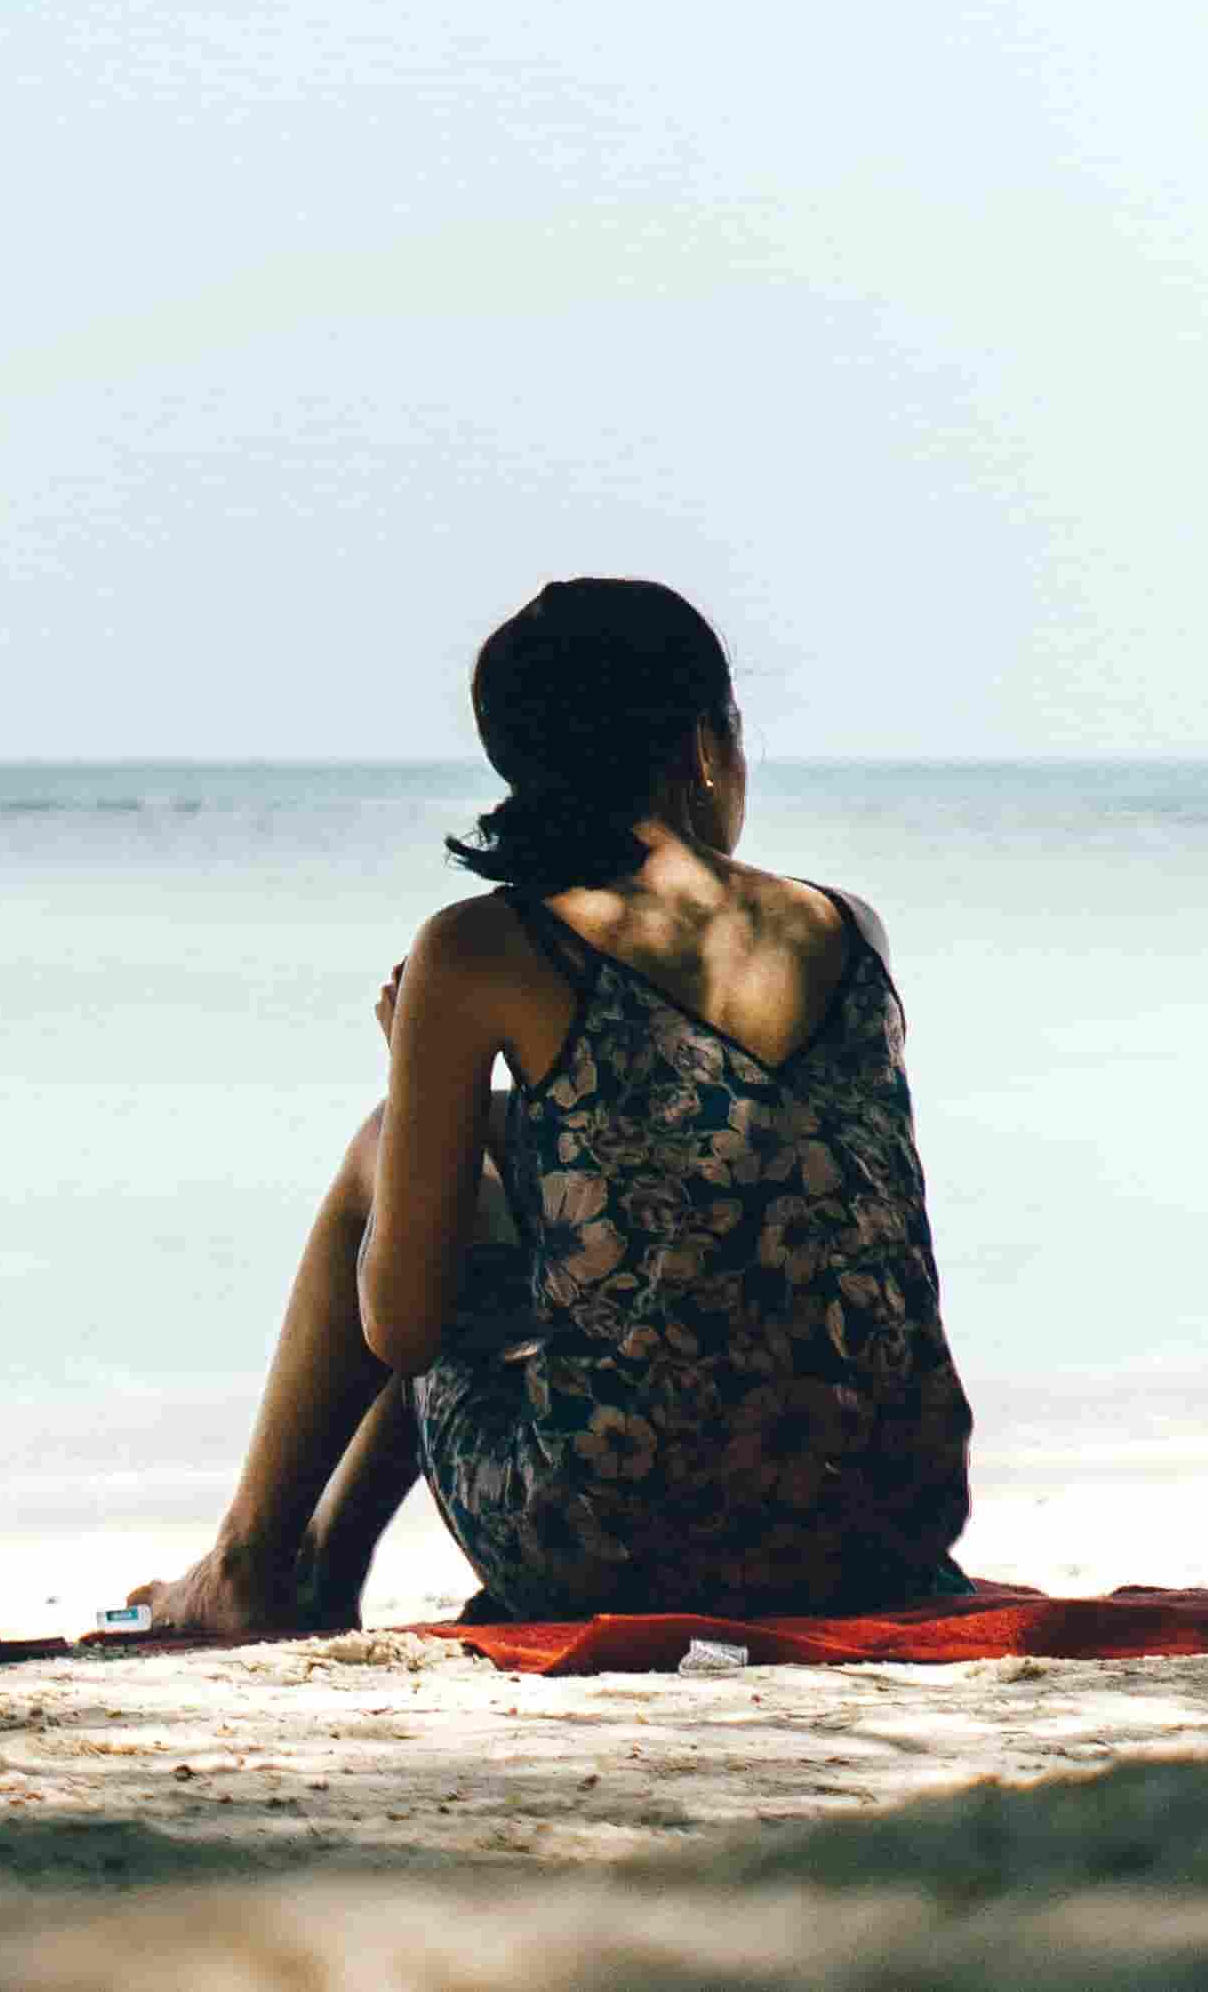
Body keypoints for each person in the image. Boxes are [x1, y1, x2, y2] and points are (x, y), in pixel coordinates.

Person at [133, 578, 973, 1636]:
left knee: (392, 1155)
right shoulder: (846, 926)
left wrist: (416, 1079)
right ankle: (302, 1573)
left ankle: (255, 1560)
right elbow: (705, 1168)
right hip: (885, 1532)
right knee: (488, 1177)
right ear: (705, 743)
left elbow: (401, 1325)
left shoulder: (483, 944)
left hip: (616, 1544)